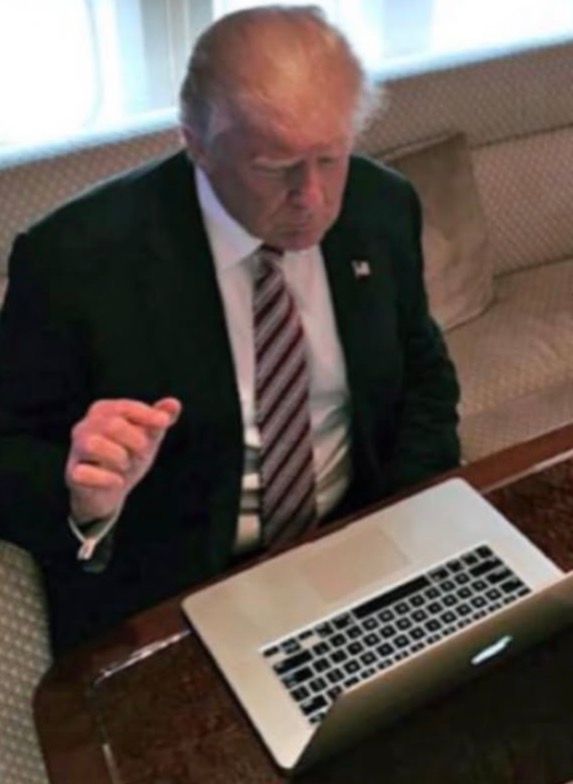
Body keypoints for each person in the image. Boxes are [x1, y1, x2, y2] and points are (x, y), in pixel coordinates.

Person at [0, 5, 460, 655]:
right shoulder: (73, 259)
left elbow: (422, 372)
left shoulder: (381, 205)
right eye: (274, 168)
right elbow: (10, 450)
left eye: (330, 158)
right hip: (180, 600)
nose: (312, 198)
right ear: (195, 141)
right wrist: (83, 494)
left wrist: (416, 520)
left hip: (360, 551)